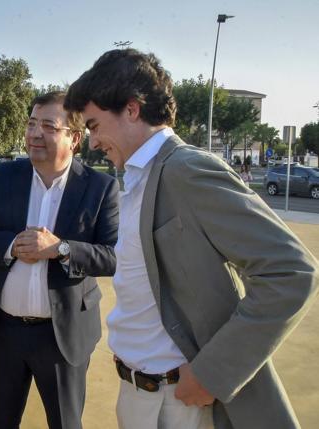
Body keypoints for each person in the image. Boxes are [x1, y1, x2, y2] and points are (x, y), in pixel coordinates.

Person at [64, 49, 318, 429]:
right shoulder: (138, 176)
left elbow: (292, 271)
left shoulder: (186, 169)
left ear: (131, 109)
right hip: (139, 395)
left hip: (179, 403)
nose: (92, 141)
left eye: (95, 125)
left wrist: (213, 374)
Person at [0, 91, 119, 429]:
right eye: (31, 123)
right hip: (4, 332)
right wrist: (12, 245)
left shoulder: (100, 188)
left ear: (74, 138)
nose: (34, 134)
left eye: (48, 126)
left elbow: (113, 256)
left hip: (62, 337)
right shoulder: (3, 177)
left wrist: (61, 249)